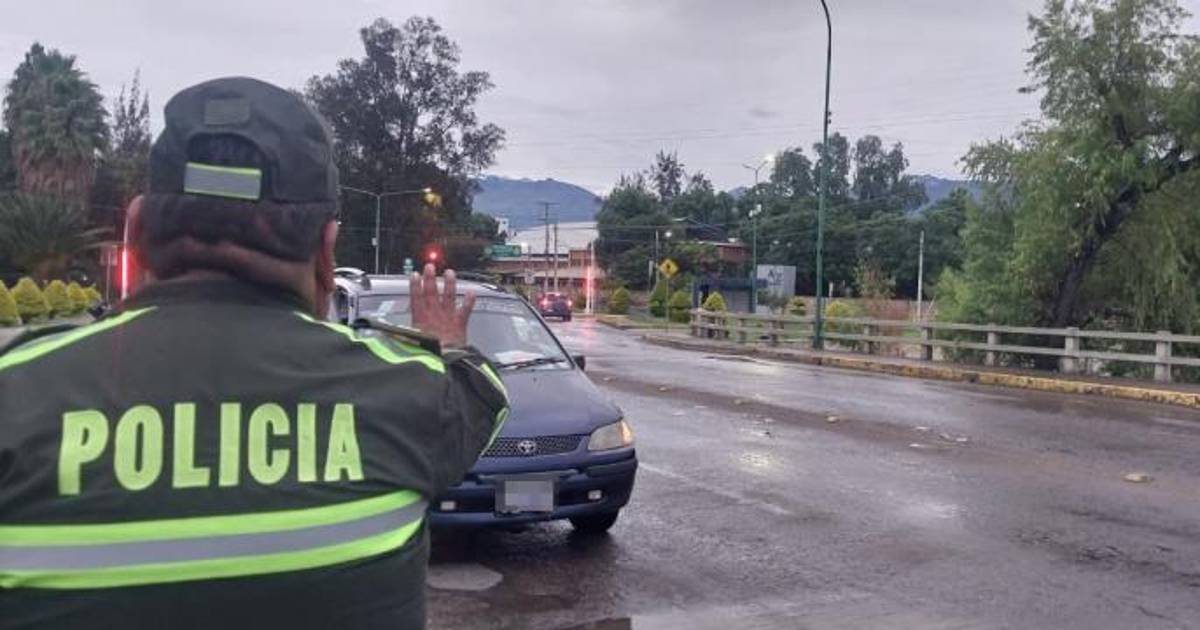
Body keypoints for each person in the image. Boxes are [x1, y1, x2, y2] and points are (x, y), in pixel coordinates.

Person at [0, 77, 508, 629]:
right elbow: (478, 389)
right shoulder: (412, 398)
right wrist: (442, 340)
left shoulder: (16, 395)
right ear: (326, 250)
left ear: (137, 229)